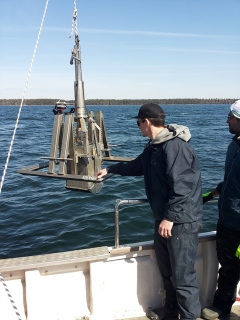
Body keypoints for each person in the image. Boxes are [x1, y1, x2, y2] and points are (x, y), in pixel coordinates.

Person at [97, 103, 203, 320]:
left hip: (180, 222)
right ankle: (171, 312)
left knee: (183, 277)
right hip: (164, 220)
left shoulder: (174, 147)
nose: (138, 127)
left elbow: (183, 187)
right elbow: (137, 166)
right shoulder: (154, 147)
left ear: (146, 122)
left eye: (138, 123)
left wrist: (170, 218)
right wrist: (110, 169)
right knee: (167, 272)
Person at [201, 100, 240, 320]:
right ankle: (222, 306)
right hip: (227, 222)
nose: (227, 120)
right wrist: (212, 194)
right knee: (227, 268)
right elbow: (232, 181)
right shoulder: (234, 144)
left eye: (230, 117)